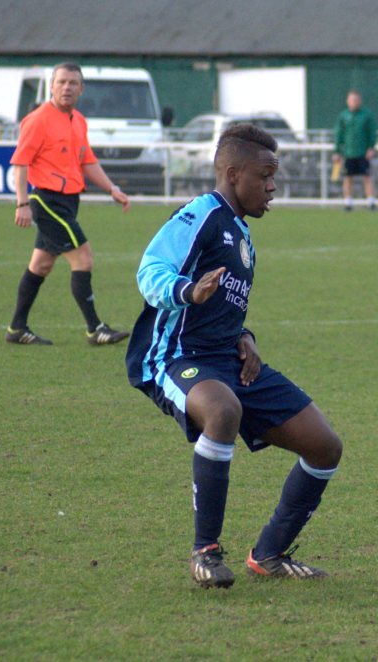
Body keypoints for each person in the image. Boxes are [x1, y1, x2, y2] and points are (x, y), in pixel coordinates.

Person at [126, 124, 342, 588]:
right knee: (223, 411)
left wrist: (246, 336)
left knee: (325, 446)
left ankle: (269, 553)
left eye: (274, 176)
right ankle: (205, 552)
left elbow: (226, 304)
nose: (273, 186)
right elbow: (150, 270)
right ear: (231, 173)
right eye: (265, 176)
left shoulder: (240, 230)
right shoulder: (200, 214)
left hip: (229, 358)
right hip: (176, 356)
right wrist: (187, 290)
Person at [6, 62, 131, 346]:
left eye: (72, 83)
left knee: (41, 265)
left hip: (68, 201)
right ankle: (95, 329)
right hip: (46, 201)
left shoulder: (79, 121)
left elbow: (87, 160)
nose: (66, 87)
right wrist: (22, 203)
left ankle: (16, 328)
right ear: (51, 86)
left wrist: (112, 188)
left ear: (81, 89)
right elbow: (20, 162)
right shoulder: (38, 120)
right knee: (83, 257)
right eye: (61, 82)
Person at [333, 89, 378, 211]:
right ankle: (348, 202)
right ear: (347, 101)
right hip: (348, 152)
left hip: (363, 152)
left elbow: (372, 133)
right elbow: (339, 134)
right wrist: (337, 151)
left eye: (356, 100)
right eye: (352, 100)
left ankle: (371, 202)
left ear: (360, 101)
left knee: (367, 177)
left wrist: (371, 147)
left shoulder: (366, 115)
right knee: (348, 178)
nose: (354, 102)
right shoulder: (344, 116)